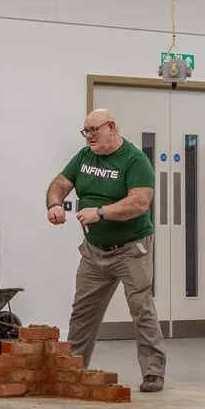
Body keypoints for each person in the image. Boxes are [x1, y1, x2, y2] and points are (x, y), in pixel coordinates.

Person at [46, 107, 166, 393]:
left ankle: (153, 372)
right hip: (94, 251)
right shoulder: (84, 157)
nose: (88, 137)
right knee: (82, 312)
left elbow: (139, 203)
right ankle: (74, 369)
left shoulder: (135, 161)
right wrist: (54, 203)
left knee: (141, 308)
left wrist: (100, 213)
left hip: (130, 250)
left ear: (111, 126)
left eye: (93, 130)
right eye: (85, 131)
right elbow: (60, 184)